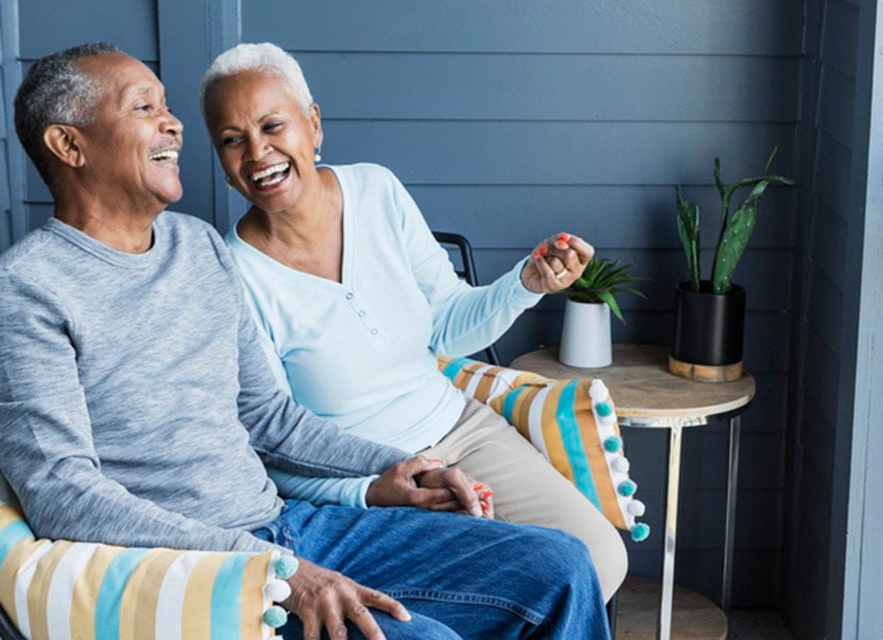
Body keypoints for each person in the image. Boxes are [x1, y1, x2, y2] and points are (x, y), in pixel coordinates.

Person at [0, 41, 607, 640]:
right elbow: (63, 496)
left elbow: (268, 418)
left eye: (166, 107)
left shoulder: (195, 247)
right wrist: (271, 569)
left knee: (561, 564)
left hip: (289, 529)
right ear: (68, 145)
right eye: (144, 108)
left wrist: (385, 463)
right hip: (201, 575)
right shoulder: (22, 293)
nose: (174, 124)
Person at [199, 42, 629, 600]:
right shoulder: (233, 275)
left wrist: (526, 285)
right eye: (233, 140)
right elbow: (273, 446)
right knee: (499, 598)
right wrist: (375, 490)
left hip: (462, 431)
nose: (258, 153)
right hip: (368, 486)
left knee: (600, 560)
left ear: (313, 124)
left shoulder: (376, 190)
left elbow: (449, 326)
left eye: (273, 125)